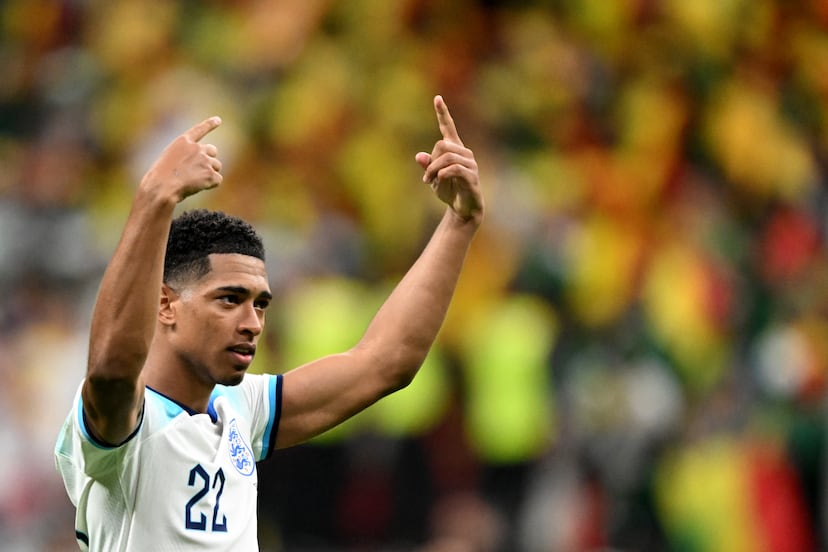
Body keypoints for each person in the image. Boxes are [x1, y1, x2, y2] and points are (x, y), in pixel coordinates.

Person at [53, 95, 484, 551]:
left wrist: (459, 223)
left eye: (260, 304)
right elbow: (112, 370)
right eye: (229, 300)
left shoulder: (241, 408)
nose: (252, 323)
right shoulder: (125, 426)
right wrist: (154, 201)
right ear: (166, 305)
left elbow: (384, 363)